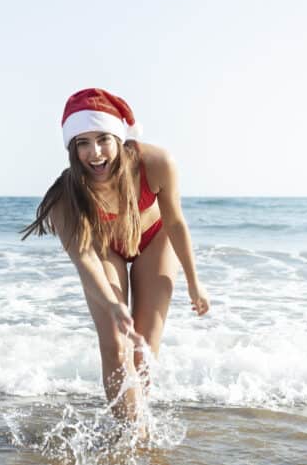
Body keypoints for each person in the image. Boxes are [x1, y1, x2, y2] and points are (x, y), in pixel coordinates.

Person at [21, 88, 210, 423]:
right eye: (82, 142)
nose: (94, 153)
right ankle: (129, 431)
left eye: (102, 139)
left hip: (154, 240)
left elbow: (176, 222)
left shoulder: (156, 164)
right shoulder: (66, 198)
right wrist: (111, 304)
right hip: (106, 250)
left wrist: (195, 283)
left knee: (143, 349)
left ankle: (137, 429)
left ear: (119, 138)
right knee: (114, 341)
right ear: (72, 148)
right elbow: (85, 259)